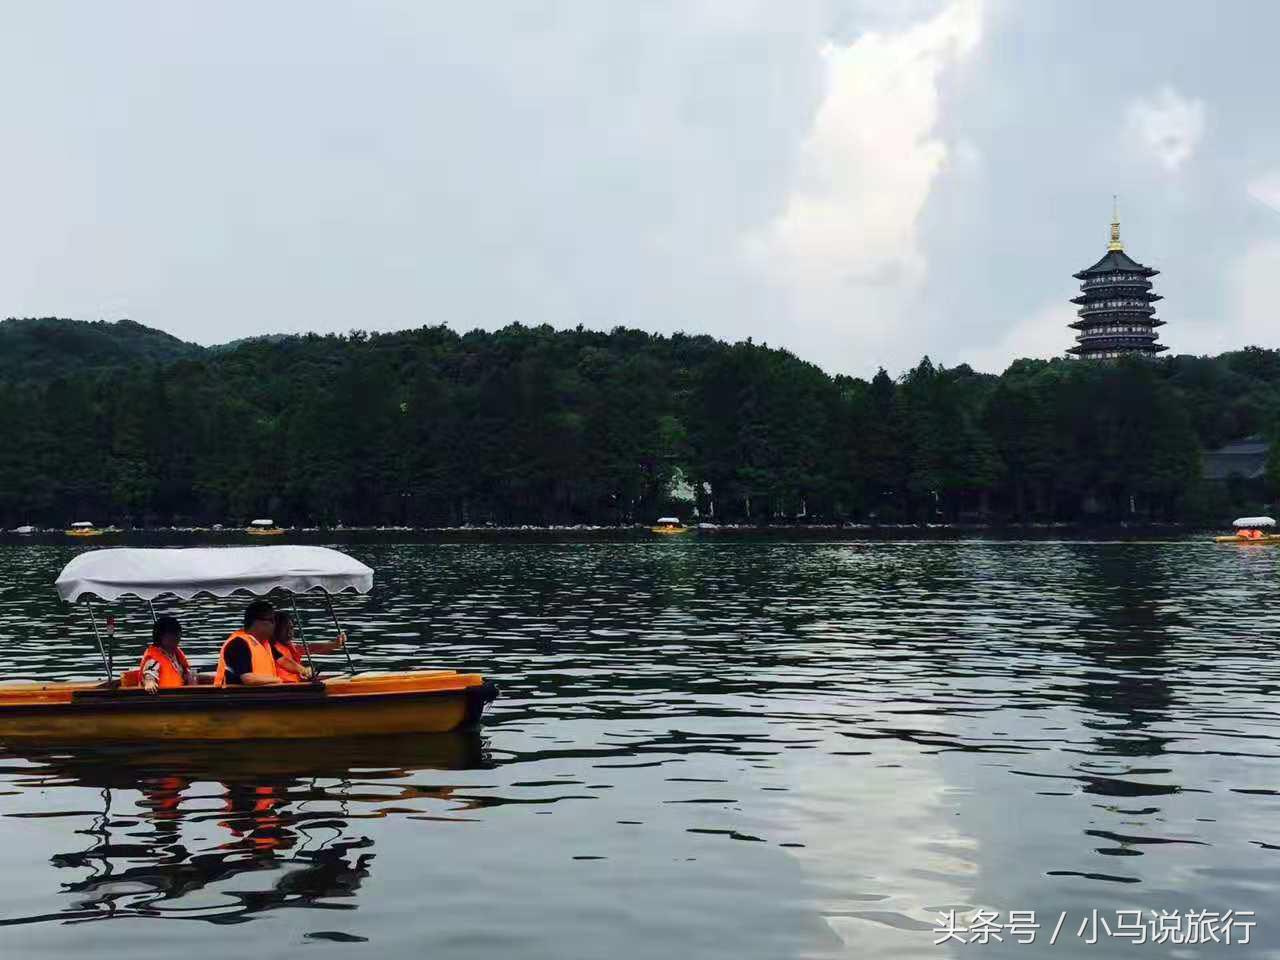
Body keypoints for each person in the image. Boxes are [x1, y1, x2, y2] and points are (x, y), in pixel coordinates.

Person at [214, 599, 282, 686]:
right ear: (258, 623)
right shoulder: (238, 644)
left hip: (264, 695)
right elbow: (247, 678)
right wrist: (277, 680)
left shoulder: (264, 643)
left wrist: (302, 670)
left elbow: (283, 660)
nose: (275, 625)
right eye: (272, 620)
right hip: (236, 697)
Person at [270, 611, 346, 683]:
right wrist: (304, 670)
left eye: (291, 628)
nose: (290, 633)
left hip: (298, 684)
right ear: (276, 629)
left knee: (342, 678)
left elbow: (310, 648)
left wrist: (334, 644)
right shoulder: (272, 648)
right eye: (285, 629)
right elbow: (285, 662)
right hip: (286, 688)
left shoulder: (290, 647)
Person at [139, 616, 198, 692]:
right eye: (172, 634)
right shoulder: (153, 659)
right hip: (165, 699)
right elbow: (149, 672)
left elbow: (185, 674)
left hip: (182, 695)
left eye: (177, 633)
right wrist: (150, 682)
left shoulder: (175, 655)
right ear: (161, 636)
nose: (177, 637)